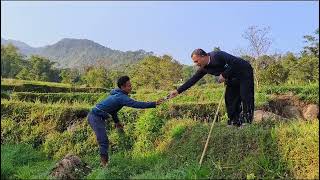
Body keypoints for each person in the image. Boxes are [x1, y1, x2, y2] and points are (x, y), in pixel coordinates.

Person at [87, 76, 164, 167]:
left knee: (104, 141)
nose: (131, 87)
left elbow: (112, 110)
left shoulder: (117, 94)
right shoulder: (121, 97)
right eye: (129, 86)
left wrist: (117, 122)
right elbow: (136, 104)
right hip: (95, 117)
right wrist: (154, 103)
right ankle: (104, 165)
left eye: (131, 85)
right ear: (122, 87)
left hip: (96, 116)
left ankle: (104, 162)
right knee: (103, 141)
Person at [169, 48, 254, 127]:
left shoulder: (217, 55)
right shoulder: (204, 68)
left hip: (244, 71)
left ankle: (247, 121)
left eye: (196, 61)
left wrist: (224, 75)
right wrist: (178, 91)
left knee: (245, 96)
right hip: (231, 77)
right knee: (230, 99)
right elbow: (192, 80)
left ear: (203, 56)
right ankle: (234, 121)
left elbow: (235, 62)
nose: (196, 64)